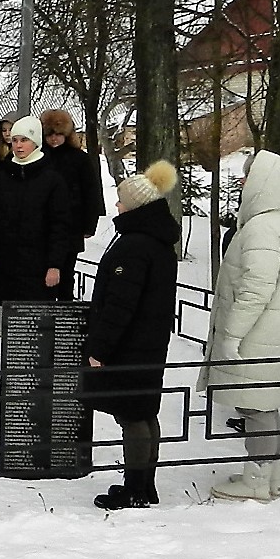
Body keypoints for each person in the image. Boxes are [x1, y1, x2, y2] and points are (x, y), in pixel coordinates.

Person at [202, 150, 280, 502]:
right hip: (270, 335)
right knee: (264, 405)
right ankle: (268, 474)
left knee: (256, 408)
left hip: (255, 336)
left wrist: (232, 334)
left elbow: (255, 289)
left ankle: (258, 479)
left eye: (252, 176)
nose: (244, 182)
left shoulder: (264, 226)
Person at [87, 162, 181, 510]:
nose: (116, 206)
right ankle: (145, 484)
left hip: (131, 344)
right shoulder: (155, 240)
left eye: (121, 200)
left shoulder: (136, 244)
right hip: (149, 341)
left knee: (132, 415)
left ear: (136, 206)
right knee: (143, 411)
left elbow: (120, 304)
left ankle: (136, 489)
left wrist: (100, 347)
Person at [0, 115, 75, 336]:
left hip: (38, 266)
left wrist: (55, 264)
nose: (18, 145)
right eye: (15, 140)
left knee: (34, 336)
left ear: (36, 142)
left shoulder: (52, 179)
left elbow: (60, 225)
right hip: (5, 264)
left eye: (24, 140)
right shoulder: (2, 175)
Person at [39, 109, 106, 299]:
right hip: (43, 225)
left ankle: (65, 315)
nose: (54, 139)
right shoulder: (40, 157)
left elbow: (91, 192)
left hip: (72, 223)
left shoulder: (80, 159)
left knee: (66, 273)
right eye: (50, 134)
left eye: (59, 134)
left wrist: (89, 224)